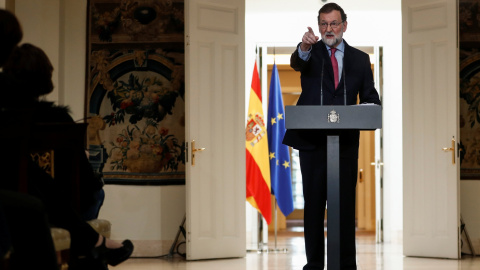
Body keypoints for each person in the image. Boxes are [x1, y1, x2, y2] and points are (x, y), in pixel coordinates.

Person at [0, 9, 133, 270]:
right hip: (34, 198)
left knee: (42, 188)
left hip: (30, 192)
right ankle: (92, 245)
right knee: (86, 195)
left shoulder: (11, 110)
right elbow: (87, 185)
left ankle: (93, 245)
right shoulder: (56, 122)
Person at [282, 3, 381, 270]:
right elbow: (296, 61)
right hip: (312, 144)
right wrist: (303, 47)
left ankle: (347, 265)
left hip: (345, 144)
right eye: (324, 24)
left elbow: (371, 98)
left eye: (334, 23)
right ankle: (314, 265)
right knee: (314, 206)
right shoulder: (309, 53)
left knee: (345, 207)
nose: (329, 29)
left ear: (344, 26)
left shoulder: (360, 59)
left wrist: (368, 110)